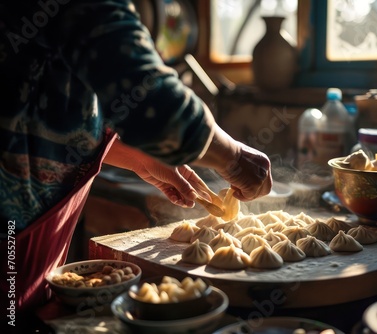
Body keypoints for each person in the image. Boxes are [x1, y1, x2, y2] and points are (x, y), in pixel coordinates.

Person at [0, 0, 272, 319]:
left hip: (25, 264)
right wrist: (235, 157)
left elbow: (41, 113)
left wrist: (135, 157)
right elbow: (152, 101)